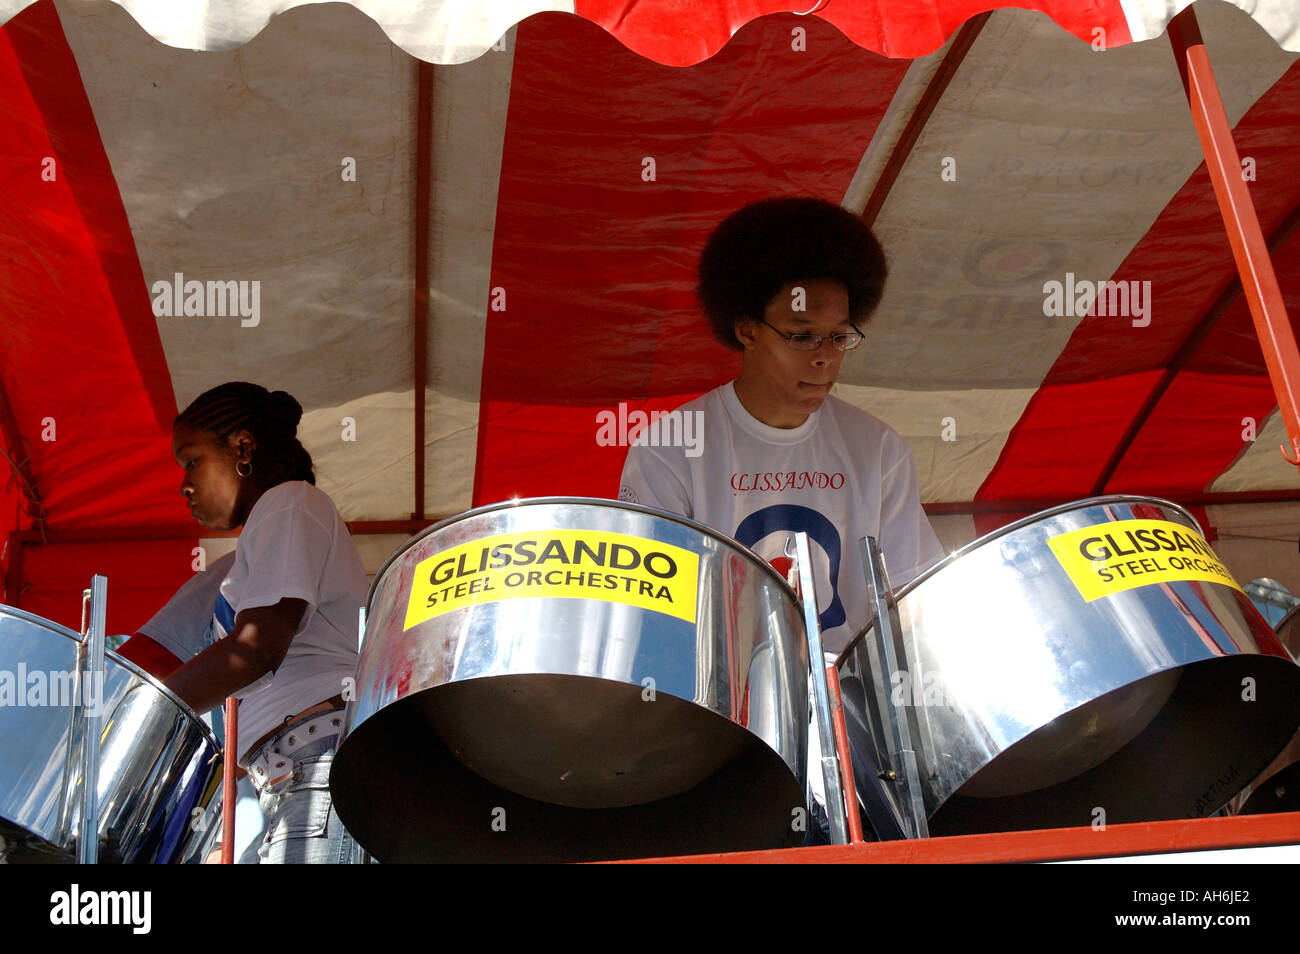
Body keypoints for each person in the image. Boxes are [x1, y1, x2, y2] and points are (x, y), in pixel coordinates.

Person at [618, 196, 944, 657]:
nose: (824, 356)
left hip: (850, 711)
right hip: (719, 706)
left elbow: (916, 597)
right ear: (747, 330)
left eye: (838, 337)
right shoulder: (669, 448)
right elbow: (649, 617)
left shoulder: (879, 449)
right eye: (801, 334)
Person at [157, 381, 366, 864]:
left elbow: (254, 650)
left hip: (314, 760)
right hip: (286, 769)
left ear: (243, 448)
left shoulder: (290, 503)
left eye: (192, 460)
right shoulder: (262, 534)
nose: (184, 484)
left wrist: (152, 711)